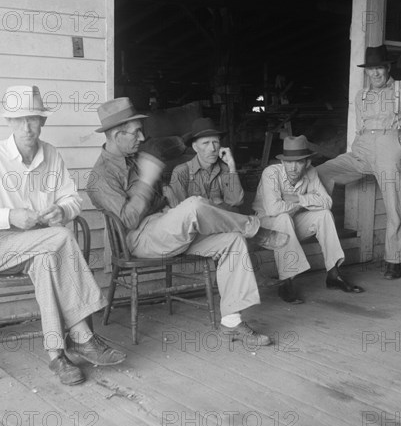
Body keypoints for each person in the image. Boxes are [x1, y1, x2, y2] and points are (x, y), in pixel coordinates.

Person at [87, 97, 289, 347]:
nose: (141, 138)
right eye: (136, 132)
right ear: (117, 134)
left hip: (165, 227)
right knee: (194, 204)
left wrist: (168, 197)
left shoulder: (135, 158)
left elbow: (164, 174)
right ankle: (256, 231)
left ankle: (232, 323)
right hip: (141, 239)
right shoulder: (99, 177)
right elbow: (128, 218)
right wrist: (146, 182)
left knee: (232, 240)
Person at [0, 86, 126, 386]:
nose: (27, 127)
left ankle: (56, 355)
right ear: (9, 123)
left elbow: (72, 199)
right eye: (20, 119)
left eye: (33, 119)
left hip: (40, 245)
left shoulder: (51, 154)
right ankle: (83, 334)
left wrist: (62, 211)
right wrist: (9, 216)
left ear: (43, 122)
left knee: (48, 258)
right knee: (60, 238)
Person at [316, 45, 401, 280]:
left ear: (387, 67)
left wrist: (400, 147)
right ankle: (316, 222)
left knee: (395, 206)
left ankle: (395, 259)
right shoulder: (361, 95)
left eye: (380, 68)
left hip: (390, 148)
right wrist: (357, 147)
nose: (375, 73)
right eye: (371, 69)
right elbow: (360, 127)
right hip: (362, 149)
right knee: (322, 171)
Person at [253, 135, 364, 304]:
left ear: (307, 163)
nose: (293, 167)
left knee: (324, 215)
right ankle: (287, 281)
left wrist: (299, 199)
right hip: (264, 229)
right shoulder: (271, 173)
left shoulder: (310, 172)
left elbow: (327, 202)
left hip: (292, 224)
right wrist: (307, 202)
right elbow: (273, 209)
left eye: (298, 162)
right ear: (282, 162)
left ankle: (333, 274)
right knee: (283, 218)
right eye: (289, 162)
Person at [168, 118, 243, 211]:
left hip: (221, 223)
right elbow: (178, 212)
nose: (212, 148)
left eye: (215, 142)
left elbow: (236, 201)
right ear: (195, 147)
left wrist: (232, 166)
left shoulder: (225, 169)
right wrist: (215, 204)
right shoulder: (181, 172)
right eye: (206, 143)